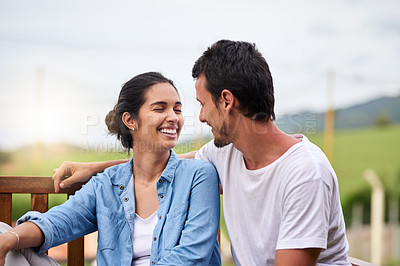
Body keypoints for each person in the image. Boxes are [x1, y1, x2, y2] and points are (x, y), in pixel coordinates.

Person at [52, 40, 351, 265]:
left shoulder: (305, 174)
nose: (202, 117)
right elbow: (163, 163)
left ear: (226, 101)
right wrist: (95, 168)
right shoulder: (228, 153)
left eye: (202, 103)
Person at [0, 72, 221, 266]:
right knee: (3, 233)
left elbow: (193, 255)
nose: (173, 117)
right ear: (130, 120)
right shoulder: (106, 184)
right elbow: (57, 222)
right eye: (160, 108)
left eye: (178, 109)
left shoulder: (198, 175)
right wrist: (11, 239)